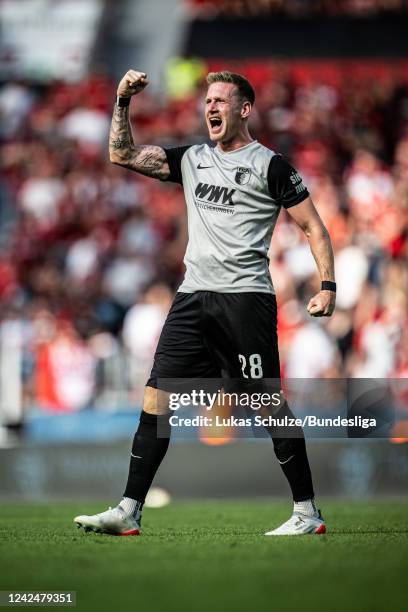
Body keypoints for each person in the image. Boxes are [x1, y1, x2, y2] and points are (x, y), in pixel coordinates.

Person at [74, 69, 336, 536]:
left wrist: (327, 287)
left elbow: (314, 227)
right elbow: (122, 153)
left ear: (244, 109)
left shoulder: (271, 166)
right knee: (156, 399)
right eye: (207, 100)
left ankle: (307, 512)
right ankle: (129, 509)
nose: (210, 107)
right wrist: (121, 101)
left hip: (245, 301)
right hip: (192, 298)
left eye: (220, 100)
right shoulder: (192, 159)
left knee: (267, 404)